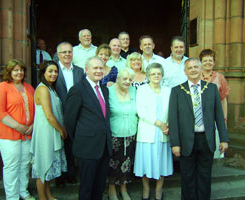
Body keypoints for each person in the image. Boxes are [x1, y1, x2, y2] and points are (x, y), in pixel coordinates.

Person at [168, 57, 229, 200]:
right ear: (185, 71)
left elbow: (219, 116)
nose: (193, 70)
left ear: (200, 69)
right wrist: (175, 143)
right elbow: (173, 119)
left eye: (196, 67)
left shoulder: (211, 89)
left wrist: (224, 139)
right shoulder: (177, 91)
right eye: (190, 68)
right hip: (186, 141)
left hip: (206, 140)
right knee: (187, 177)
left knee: (205, 177)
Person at [64, 56, 112, 200]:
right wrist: (82, 138)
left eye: (101, 68)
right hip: (87, 148)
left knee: (99, 187)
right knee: (86, 189)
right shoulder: (77, 90)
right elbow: (70, 121)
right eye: (95, 68)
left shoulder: (104, 89)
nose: (98, 71)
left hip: (104, 147)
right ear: (86, 70)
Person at [0, 59, 35, 200]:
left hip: (27, 134)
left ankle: (23, 191)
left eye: (22, 70)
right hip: (8, 134)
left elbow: (36, 109)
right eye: (16, 70)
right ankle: (12, 196)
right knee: (12, 166)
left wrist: (32, 126)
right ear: (9, 72)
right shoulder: (3, 86)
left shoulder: (29, 88)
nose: (19, 73)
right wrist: (19, 127)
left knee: (24, 165)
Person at [134, 63, 173, 200]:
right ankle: (146, 189)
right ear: (148, 76)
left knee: (162, 163)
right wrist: (160, 124)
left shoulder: (168, 91)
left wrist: (167, 125)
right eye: (153, 74)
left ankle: (158, 191)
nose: (156, 76)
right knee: (145, 163)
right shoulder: (142, 90)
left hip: (163, 134)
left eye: (158, 73)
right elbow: (141, 111)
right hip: (147, 132)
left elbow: (172, 111)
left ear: (162, 75)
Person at [30, 60, 67, 200]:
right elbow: (49, 116)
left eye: (56, 71)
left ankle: (48, 194)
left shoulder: (50, 88)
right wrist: (62, 130)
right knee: (43, 166)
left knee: (49, 165)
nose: (54, 74)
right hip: (46, 133)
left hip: (52, 131)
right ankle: (42, 197)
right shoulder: (42, 89)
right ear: (43, 73)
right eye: (50, 71)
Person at [55, 41, 84, 186]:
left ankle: (71, 173)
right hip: (58, 114)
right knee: (59, 145)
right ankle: (59, 175)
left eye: (69, 52)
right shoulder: (53, 70)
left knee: (72, 145)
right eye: (63, 52)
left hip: (77, 114)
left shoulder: (79, 71)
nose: (67, 54)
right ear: (58, 54)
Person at [108, 67, 138, 200]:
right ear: (118, 78)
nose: (127, 81)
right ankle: (111, 189)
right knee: (113, 163)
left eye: (130, 79)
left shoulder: (134, 90)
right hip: (114, 133)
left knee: (127, 162)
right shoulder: (108, 91)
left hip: (131, 133)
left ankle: (124, 189)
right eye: (124, 78)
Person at [199, 49, 230, 159]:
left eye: (210, 60)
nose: (208, 63)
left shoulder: (220, 77)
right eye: (205, 60)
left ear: (214, 62)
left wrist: (224, 119)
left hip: (214, 116)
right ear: (201, 62)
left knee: (212, 146)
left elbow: (223, 99)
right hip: (198, 116)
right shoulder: (196, 76)